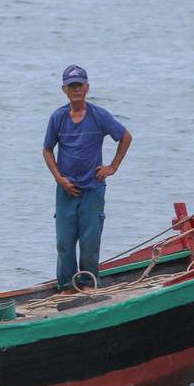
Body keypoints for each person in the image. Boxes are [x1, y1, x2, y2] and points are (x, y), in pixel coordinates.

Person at [42, 65, 132, 294]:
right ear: (64, 89)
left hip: (93, 189)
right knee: (64, 242)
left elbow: (125, 137)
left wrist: (112, 167)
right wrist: (59, 179)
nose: (76, 90)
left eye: (80, 85)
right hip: (67, 191)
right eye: (71, 86)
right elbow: (47, 150)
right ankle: (66, 286)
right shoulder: (58, 117)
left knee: (90, 241)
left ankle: (89, 283)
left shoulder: (99, 115)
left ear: (87, 87)